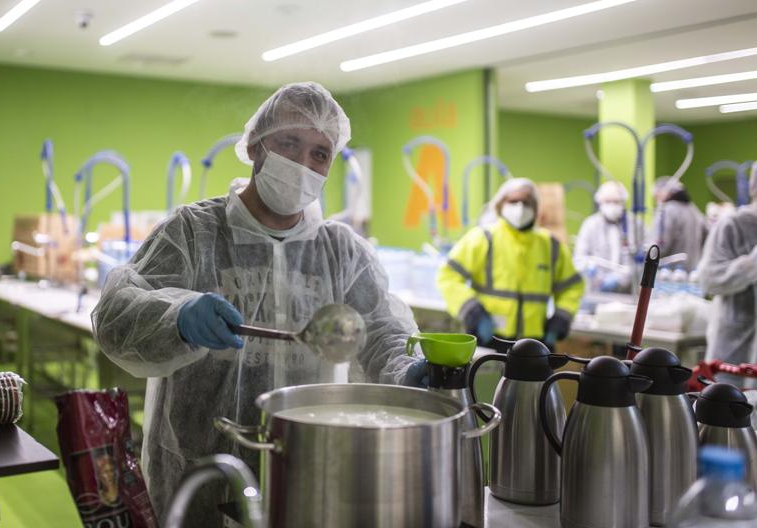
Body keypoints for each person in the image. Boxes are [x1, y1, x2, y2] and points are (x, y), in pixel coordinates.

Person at [92, 82, 422, 526]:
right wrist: (178, 317)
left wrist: (408, 369)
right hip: (199, 476)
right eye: (289, 143)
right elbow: (115, 315)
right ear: (254, 146)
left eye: (320, 153)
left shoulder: (341, 250)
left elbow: (382, 332)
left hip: (307, 473)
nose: (303, 163)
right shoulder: (193, 232)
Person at [437, 178, 584, 347]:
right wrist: (472, 311)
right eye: (513, 201)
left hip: (535, 343)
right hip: (489, 338)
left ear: (536, 208)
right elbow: (448, 276)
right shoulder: (483, 238)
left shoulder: (550, 245)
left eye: (526, 202)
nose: (520, 207)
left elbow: (573, 286)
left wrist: (562, 317)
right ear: (501, 205)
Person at [697, 169, 757, 386]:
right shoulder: (734, 225)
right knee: (728, 410)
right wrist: (750, 265)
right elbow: (708, 279)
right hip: (733, 346)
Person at [573, 180, 633, 293]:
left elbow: (642, 260)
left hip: (628, 292)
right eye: (607, 201)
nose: (612, 205)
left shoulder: (634, 225)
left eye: (616, 201)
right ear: (600, 202)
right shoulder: (590, 224)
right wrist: (590, 268)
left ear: (623, 202)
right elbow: (579, 257)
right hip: (596, 290)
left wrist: (621, 279)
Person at [653, 177, 708, 270]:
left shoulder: (667, 210)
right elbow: (706, 237)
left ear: (665, 192)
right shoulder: (694, 210)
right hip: (693, 270)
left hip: (670, 272)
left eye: (656, 195)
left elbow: (660, 247)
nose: (656, 200)